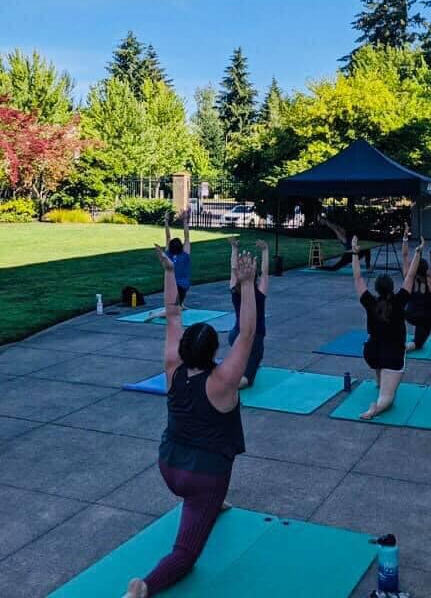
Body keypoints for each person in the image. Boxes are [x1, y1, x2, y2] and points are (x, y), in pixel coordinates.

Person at [123, 245, 258, 598]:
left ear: (185, 348)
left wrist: (170, 272)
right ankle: (142, 588)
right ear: (214, 352)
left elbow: (172, 314)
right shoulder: (223, 380)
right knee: (185, 555)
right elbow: (246, 334)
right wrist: (247, 284)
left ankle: (213, 504)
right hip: (203, 478)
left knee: (208, 481)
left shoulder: (172, 366)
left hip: (169, 465)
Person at [352, 233, 422, 421]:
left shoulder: (370, 302)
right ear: (392, 288)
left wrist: (355, 253)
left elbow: (358, 278)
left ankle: (379, 380)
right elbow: (410, 275)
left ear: (376, 289)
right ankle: (374, 409)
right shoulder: (399, 300)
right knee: (387, 400)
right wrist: (418, 253)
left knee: (378, 354)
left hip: (371, 353)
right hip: (392, 356)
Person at [226, 237, 269, 388]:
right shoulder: (260, 293)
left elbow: (233, 270)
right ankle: (224, 386)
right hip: (254, 338)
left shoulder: (234, 289)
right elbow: (265, 273)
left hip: (235, 335)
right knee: (246, 378)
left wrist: (234, 249)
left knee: (242, 359)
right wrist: (265, 250)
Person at [146, 209, 192, 321]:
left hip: (171, 284)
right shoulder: (185, 254)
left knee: (177, 301)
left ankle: (181, 304)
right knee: (174, 310)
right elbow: (187, 237)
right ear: (181, 246)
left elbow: (167, 237)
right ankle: (155, 315)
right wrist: (185, 220)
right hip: (182, 285)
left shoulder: (168, 254)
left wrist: (166, 221)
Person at [401, 227, 431, 351]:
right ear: (426, 269)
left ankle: (393, 337)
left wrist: (405, 238)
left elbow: (404, 256)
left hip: (409, 315)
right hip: (425, 319)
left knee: (397, 308)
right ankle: (407, 346)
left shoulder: (409, 278)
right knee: (418, 344)